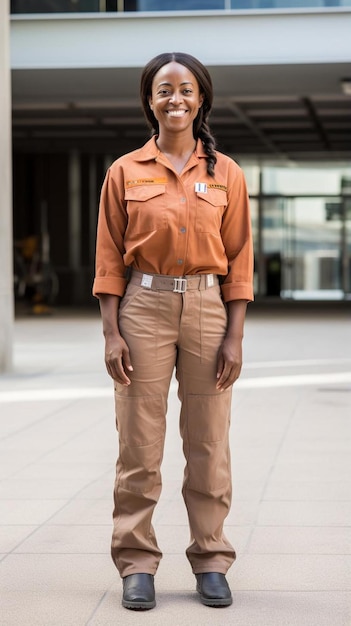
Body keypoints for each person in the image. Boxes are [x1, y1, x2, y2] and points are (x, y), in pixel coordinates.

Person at [92, 51, 254, 611]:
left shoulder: (226, 173)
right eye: (164, 90)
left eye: (186, 89)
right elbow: (109, 259)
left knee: (209, 442)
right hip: (144, 309)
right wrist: (112, 332)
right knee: (139, 443)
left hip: (210, 310)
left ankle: (211, 558)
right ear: (150, 100)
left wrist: (234, 336)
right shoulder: (125, 171)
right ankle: (136, 562)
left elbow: (240, 260)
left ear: (201, 97)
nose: (175, 98)